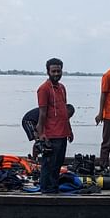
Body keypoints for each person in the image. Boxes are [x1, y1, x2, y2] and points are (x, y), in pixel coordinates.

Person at [36, 58, 75, 193]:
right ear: (48, 72)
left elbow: (64, 110)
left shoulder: (62, 88)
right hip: (51, 133)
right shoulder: (43, 89)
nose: (56, 74)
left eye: (59, 71)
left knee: (58, 164)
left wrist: (69, 130)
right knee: (49, 164)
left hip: (62, 132)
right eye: (54, 71)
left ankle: (54, 188)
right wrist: (41, 134)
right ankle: (46, 190)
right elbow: (42, 114)